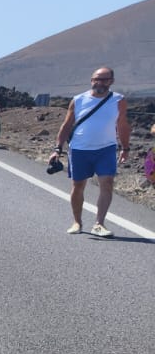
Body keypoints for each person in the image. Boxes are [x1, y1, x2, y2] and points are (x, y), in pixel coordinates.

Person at [56, 66, 131, 237]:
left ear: (111, 81)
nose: (100, 82)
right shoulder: (78, 100)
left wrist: (125, 147)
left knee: (107, 183)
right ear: (91, 80)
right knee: (78, 186)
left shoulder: (119, 100)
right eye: (96, 79)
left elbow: (122, 125)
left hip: (106, 149)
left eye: (104, 79)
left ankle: (99, 223)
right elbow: (66, 125)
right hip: (80, 149)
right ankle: (77, 222)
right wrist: (57, 148)